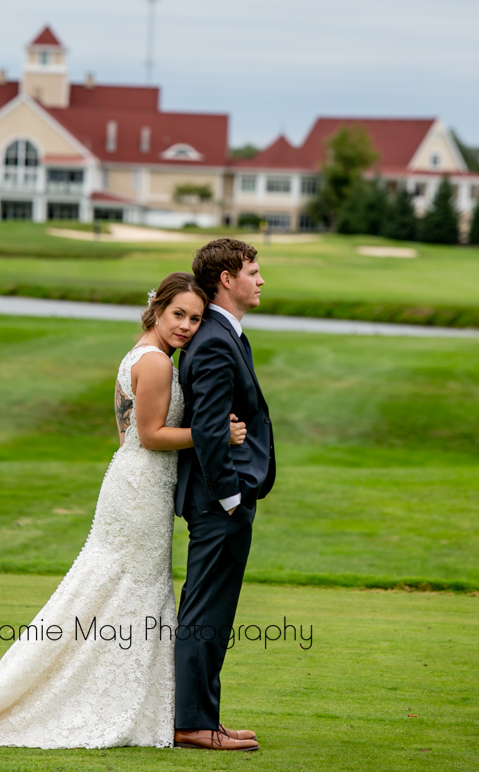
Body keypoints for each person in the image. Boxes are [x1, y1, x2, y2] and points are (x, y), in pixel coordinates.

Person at [0, 272, 248, 750]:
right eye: (179, 314)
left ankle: (149, 709)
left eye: (196, 319)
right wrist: (215, 433)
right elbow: (153, 435)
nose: (187, 326)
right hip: (140, 487)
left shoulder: (138, 355)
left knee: (123, 589)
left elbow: (128, 436)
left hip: (133, 482)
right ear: (157, 307)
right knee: (131, 589)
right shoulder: (155, 364)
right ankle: (134, 710)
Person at [174, 239, 276, 751]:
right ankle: (192, 724)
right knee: (207, 613)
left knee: (211, 610)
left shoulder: (222, 333)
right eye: (253, 272)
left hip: (220, 498)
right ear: (226, 280)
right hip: (219, 501)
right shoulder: (215, 339)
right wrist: (232, 498)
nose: (261, 281)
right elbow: (212, 430)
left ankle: (202, 717)